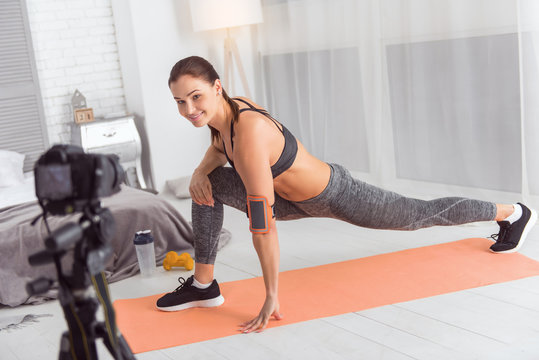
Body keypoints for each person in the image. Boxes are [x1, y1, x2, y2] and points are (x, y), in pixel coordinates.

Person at [156, 55, 538, 333]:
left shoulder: (250, 133)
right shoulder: (224, 118)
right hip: (292, 198)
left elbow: (263, 227)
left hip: (334, 193)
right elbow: (220, 149)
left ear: (216, 88)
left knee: (418, 215)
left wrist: (271, 294)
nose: (189, 109)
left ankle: (512, 213)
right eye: (179, 102)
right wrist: (199, 171)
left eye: (195, 97)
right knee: (205, 186)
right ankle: (204, 287)